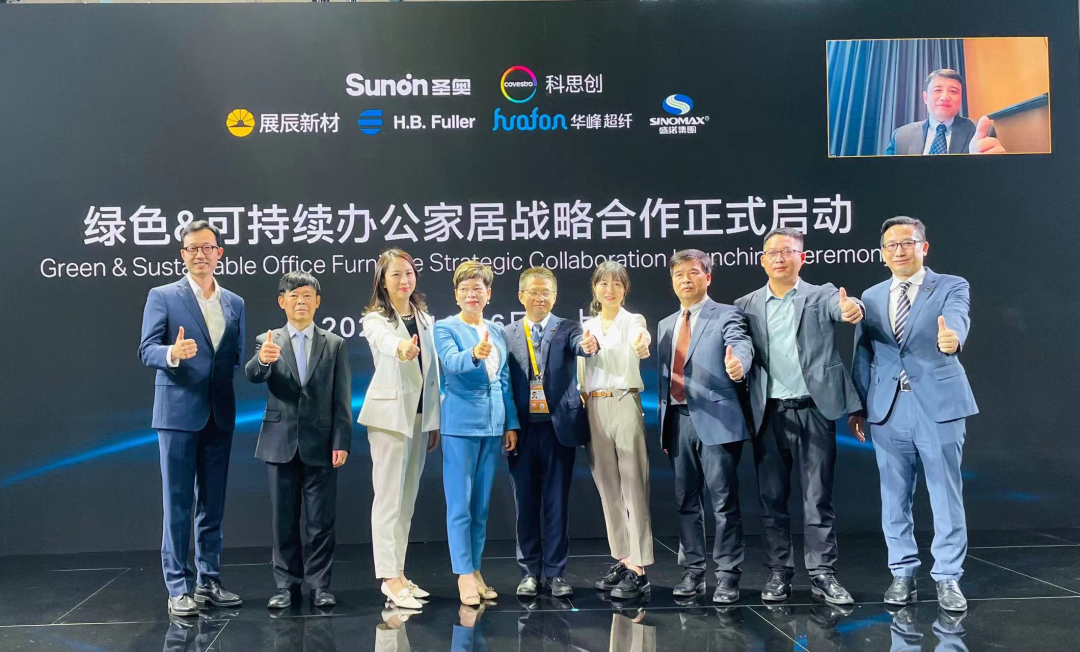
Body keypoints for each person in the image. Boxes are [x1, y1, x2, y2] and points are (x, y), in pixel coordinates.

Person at [851, 216, 978, 612]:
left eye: (907, 243)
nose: (899, 251)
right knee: (894, 496)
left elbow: (956, 318)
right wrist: (858, 406)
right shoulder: (871, 296)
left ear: (924, 247)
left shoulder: (950, 286)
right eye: (891, 245)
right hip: (889, 408)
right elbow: (863, 353)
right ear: (882, 253)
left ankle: (948, 577)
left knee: (944, 493)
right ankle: (902, 572)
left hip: (938, 405)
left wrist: (952, 338)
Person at [734, 228, 864, 606]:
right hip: (768, 413)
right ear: (762, 260)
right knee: (772, 498)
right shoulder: (745, 305)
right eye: (772, 253)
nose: (780, 258)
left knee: (818, 497)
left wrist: (851, 308)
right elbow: (738, 345)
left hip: (814, 409)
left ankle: (823, 574)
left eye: (788, 252)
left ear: (801, 258)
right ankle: (780, 571)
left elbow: (843, 306)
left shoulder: (821, 294)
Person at [138, 220, 246, 616]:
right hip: (178, 413)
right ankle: (178, 586)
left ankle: (208, 580)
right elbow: (146, 349)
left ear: (219, 253)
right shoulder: (163, 296)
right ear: (183, 254)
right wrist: (172, 353)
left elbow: (233, 357)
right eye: (193, 248)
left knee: (212, 504)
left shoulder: (234, 302)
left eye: (208, 247)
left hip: (219, 413)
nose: (201, 254)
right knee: (178, 503)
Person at [245, 271, 351, 609]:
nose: (301, 301)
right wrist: (262, 360)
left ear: (317, 302)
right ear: (282, 302)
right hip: (280, 442)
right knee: (284, 520)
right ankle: (285, 586)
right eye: (294, 296)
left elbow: (341, 398)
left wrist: (341, 440)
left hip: (322, 442)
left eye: (307, 296)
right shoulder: (268, 340)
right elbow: (253, 374)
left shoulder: (334, 343)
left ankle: (320, 585)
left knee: (321, 522)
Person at [657, 249, 754, 604]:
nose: (685, 279)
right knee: (686, 501)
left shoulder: (727, 314)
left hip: (716, 421)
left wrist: (738, 364)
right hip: (677, 421)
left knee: (723, 502)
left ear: (707, 277)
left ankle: (727, 575)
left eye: (693, 272)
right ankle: (693, 571)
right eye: (678, 274)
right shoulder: (666, 324)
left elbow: (740, 345)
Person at [504, 267, 599, 599]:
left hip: (559, 429)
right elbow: (503, 383)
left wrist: (588, 345)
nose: (540, 297)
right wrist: (509, 424)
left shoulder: (569, 328)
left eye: (546, 292)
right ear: (521, 296)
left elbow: (581, 345)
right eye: (534, 291)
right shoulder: (507, 333)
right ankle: (530, 572)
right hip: (522, 430)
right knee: (525, 503)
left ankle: (557, 573)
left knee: (557, 503)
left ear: (554, 297)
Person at [358, 249, 442, 610]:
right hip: (390, 419)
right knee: (388, 500)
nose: (404, 280)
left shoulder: (425, 317)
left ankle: (400, 573)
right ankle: (388, 579)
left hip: (420, 418)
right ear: (382, 281)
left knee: (406, 501)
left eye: (408, 273)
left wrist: (433, 420)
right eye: (395, 274)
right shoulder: (375, 319)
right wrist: (402, 348)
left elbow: (433, 373)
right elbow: (385, 342)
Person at [434, 261, 520, 606]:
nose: (472, 294)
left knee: (480, 506)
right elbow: (451, 362)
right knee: (460, 505)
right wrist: (473, 354)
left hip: (493, 424)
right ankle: (463, 574)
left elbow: (504, 380)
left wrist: (510, 423)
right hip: (460, 424)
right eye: (465, 289)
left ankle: (476, 568)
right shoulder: (445, 327)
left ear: (489, 294)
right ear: (456, 295)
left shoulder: (496, 331)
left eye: (478, 288)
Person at [578, 261, 654, 600]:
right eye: (603, 284)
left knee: (633, 484)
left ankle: (640, 567)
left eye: (617, 284)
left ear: (625, 289)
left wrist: (641, 345)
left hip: (624, 401)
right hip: (594, 406)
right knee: (608, 487)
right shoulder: (587, 326)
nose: (610, 290)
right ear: (594, 288)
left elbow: (642, 340)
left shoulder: (633, 320)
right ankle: (624, 560)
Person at [885, 69, 1006, 155]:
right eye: (937, 90)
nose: (945, 97)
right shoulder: (901, 135)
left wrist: (991, 164)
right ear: (925, 98)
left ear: (961, 98)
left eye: (953, 91)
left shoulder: (980, 133)